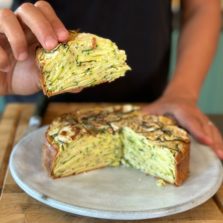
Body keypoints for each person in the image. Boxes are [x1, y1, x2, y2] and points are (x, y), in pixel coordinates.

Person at [0, 0, 223, 158]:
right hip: (30, 98)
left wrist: (182, 93)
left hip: (147, 110)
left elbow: (202, 6)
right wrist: (6, 74)